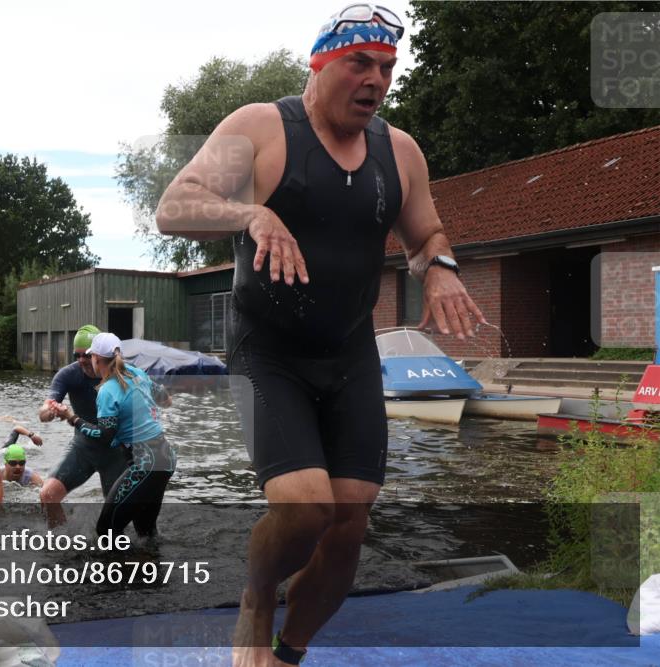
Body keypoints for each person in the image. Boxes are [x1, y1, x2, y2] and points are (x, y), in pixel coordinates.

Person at [154, 6, 486, 665]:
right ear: (320, 64)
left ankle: (288, 650)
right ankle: (255, 597)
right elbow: (174, 207)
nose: (375, 80)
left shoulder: (401, 151)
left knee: (349, 521)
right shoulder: (261, 128)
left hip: (350, 355)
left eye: (387, 68)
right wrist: (251, 212)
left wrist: (441, 270)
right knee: (305, 506)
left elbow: (426, 235)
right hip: (269, 352)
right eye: (359, 63)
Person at [50, 332, 176, 538]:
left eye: (90, 356)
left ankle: (118, 570)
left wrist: (73, 418)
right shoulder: (137, 373)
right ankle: (149, 566)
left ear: (96, 359)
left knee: (106, 530)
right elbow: (165, 400)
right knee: (145, 532)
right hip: (166, 458)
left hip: (146, 465)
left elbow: (105, 435)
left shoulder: (107, 390)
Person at [37, 325, 130, 527]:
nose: (81, 361)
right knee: (47, 494)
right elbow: (44, 410)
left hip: (116, 455)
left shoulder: (121, 376)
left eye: (86, 356)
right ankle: (60, 542)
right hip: (83, 449)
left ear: (97, 355)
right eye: (76, 355)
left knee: (117, 516)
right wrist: (50, 411)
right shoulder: (68, 374)